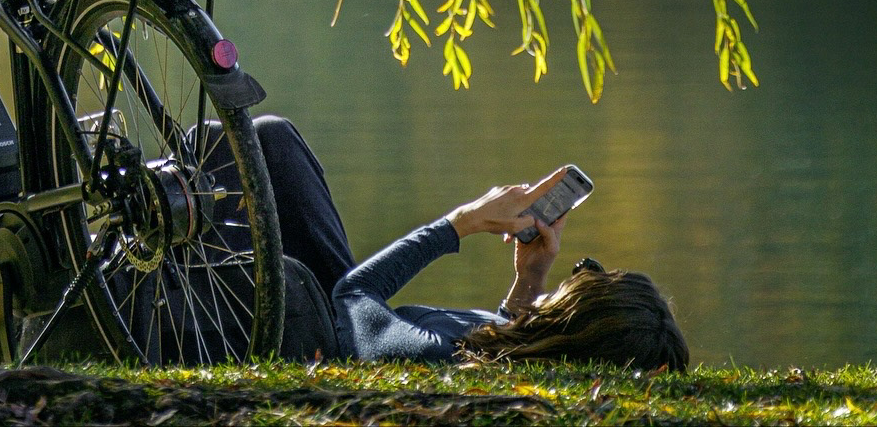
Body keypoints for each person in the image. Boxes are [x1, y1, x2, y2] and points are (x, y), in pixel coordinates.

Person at [250, 115, 689, 371]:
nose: (581, 269)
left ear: (581, 324)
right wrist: (529, 280)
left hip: (315, 321)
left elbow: (353, 295)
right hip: (335, 307)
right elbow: (501, 336)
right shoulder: (512, 351)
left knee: (264, 154)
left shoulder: (440, 355)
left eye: (593, 281)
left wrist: (460, 223)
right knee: (272, 137)